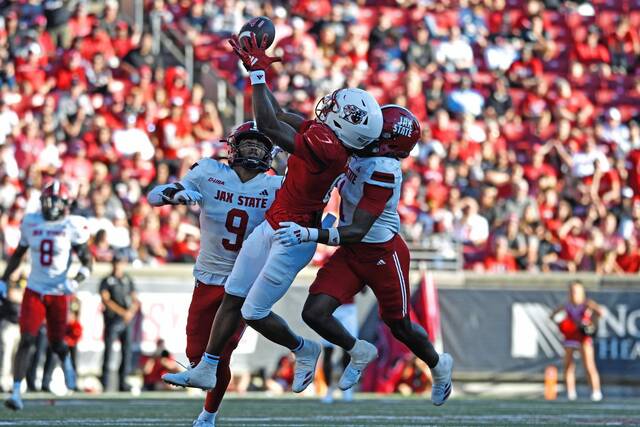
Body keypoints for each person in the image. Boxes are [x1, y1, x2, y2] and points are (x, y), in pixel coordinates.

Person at [164, 33, 383, 398]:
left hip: (293, 236)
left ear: (346, 126)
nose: (327, 107)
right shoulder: (327, 136)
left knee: (252, 311)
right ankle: (207, 368)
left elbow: (266, 124)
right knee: (233, 293)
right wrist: (260, 67)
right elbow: (279, 114)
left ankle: (304, 348)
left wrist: (257, 75)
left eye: (337, 109)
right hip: (274, 223)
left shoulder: (329, 149)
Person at [274, 106, 453, 406]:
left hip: (381, 253)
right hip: (352, 251)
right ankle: (357, 349)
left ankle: (438, 364)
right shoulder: (361, 150)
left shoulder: (383, 169)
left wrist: (310, 234)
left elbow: (357, 230)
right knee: (313, 313)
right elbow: (309, 127)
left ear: (390, 141)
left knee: (400, 325)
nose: (370, 131)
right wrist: (274, 110)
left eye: (379, 130)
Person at [148, 122, 282, 427]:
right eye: (247, 144)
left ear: (269, 153)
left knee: (220, 352)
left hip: (245, 279)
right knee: (196, 353)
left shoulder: (276, 186)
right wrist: (173, 194)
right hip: (208, 275)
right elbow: (155, 196)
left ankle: (208, 416)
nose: (252, 150)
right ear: (232, 148)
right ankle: (208, 401)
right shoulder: (209, 171)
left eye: (259, 146)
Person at [0, 180, 92, 410]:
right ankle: (16, 391)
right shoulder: (31, 222)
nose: (51, 205)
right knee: (27, 338)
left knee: (56, 342)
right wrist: (3, 279)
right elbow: (18, 254)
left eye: (55, 201)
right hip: (35, 289)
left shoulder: (73, 225)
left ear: (65, 203)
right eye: (48, 200)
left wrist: (76, 280)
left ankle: (67, 362)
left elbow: (87, 261)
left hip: (59, 292)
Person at [550, 281, 603, 401]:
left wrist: (591, 322)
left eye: (576, 291)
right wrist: (561, 324)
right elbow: (552, 315)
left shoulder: (587, 304)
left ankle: (596, 392)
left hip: (583, 336)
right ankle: (571, 392)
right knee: (568, 365)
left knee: (589, 365)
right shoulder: (567, 305)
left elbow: (600, 313)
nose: (573, 294)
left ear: (582, 293)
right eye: (571, 291)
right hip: (570, 336)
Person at [99, 251, 139, 392]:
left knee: (126, 351)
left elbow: (135, 299)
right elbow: (106, 299)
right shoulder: (107, 280)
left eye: (120, 262)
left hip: (126, 321)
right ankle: (105, 381)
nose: (118, 265)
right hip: (113, 320)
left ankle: (123, 381)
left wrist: (131, 312)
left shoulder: (127, 280)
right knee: (109, 351)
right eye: (116, 262)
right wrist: (123, 312)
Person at [321, 299, 357, 403]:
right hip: (330, 307)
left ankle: (346, 388)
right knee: (328, 350)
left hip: (348, 309)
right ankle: (328, 389)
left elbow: (364, 291)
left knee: (349, 350)